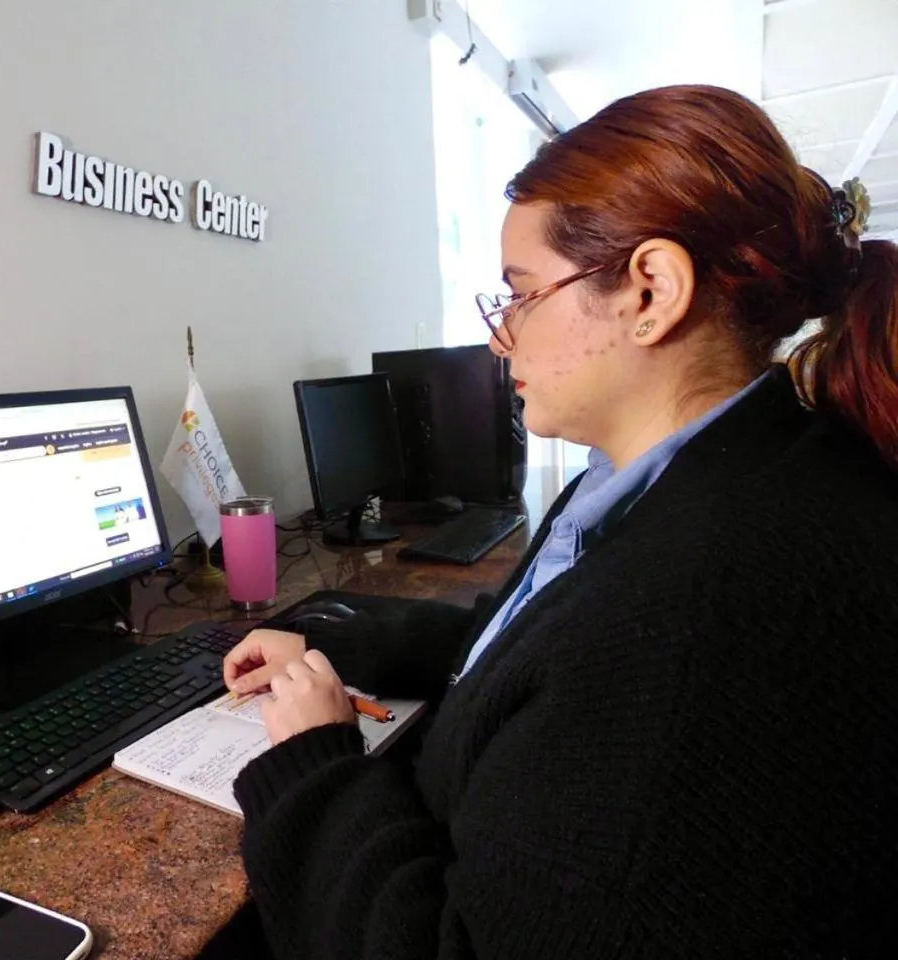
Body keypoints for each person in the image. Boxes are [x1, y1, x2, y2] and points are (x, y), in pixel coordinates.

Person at [219, 85, 898, 959]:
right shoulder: (696, 474)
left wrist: (315, 761)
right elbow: (539, 647)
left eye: (524, 293)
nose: (502, 338)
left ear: (650, 290)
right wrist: (343, 639)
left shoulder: (704, 618)